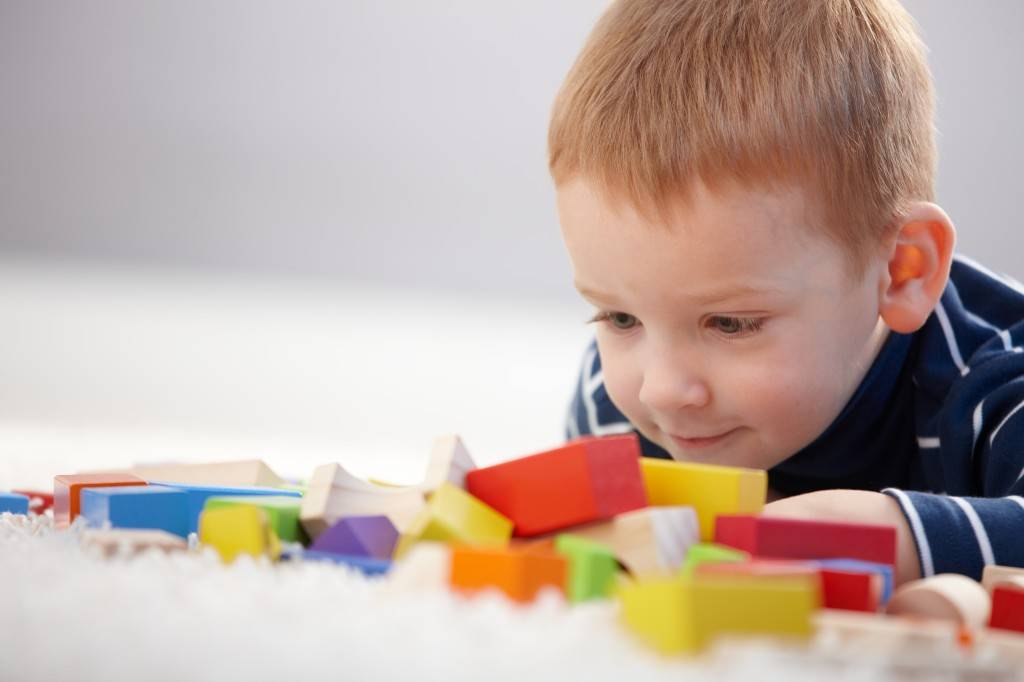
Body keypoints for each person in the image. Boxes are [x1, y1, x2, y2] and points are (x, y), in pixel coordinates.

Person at [548, 0, 1024, 587]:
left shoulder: (995, 379)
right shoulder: (611, 404)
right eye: (620, 317)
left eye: (730, 324)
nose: (663, 390)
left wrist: (894, 534)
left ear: (901, 271)